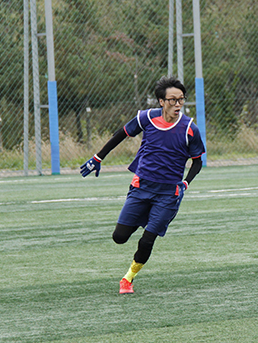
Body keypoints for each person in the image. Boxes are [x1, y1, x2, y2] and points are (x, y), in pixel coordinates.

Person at [79, 76, 205, 295]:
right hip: (141, 188)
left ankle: (128, 279)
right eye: (172, 100)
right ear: (161, 101)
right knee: (119, 237)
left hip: (168, 193)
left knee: (148, 239)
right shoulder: (145, 118)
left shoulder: (189, 129)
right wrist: (98, 157)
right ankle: (145, 216)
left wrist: (185, 183)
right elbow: (121, 134)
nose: (177, 104)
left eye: (181, 100)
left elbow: (197, 161)